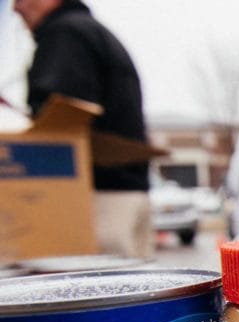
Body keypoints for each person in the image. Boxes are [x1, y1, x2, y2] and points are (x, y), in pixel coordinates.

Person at [14, 0, 153, 258]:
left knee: (101, 294)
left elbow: (61, 122)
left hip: (96, 201)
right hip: (127, 192)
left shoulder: (65, 34)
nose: (16, 8)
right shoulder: (93, 32)